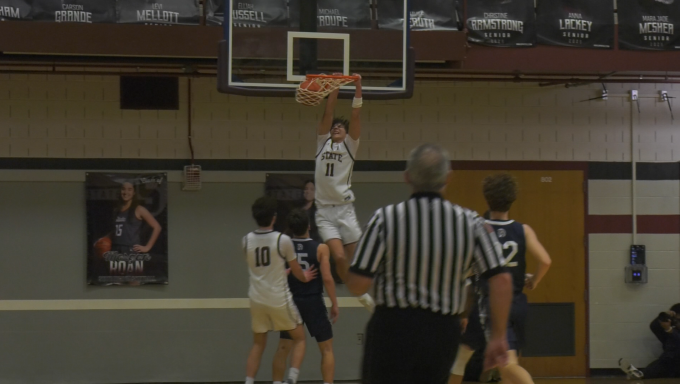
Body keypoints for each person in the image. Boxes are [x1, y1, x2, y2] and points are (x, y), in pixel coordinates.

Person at [338, 143, 513, 384]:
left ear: (407, 177)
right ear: (448, 178)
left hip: (392, 328)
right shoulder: (470, 222)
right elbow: (502, 279)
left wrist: (343, 260)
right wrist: (498, 336)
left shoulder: (385, 219)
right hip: (441, 331)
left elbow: (357, 285)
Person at [449, 174, 552, 384]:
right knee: (504, 361)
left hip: (488, 303)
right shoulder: (523, 230)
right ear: (512, 199)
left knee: (467, 360)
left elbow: (463, 270)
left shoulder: (478, 228)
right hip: (516, 303)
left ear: (487, 199)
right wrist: (534, 280)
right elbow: (546, 261)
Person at [314, 75, 374, 312]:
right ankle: (358, 295)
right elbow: (328, 111)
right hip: (325, 212)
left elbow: (355, 115)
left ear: (346, 133)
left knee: (358, 259)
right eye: (334, 127)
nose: (336, 127)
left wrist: (357, 87)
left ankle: (371, 290)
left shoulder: (350, 145)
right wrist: (334, 87)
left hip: (345, 210)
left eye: (340, 127)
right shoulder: (322, 143)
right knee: (339, 258)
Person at [243, 197, 318, 384]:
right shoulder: (282, 240)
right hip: (278, 298)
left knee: (258, 344)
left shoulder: (246, 241)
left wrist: (279, 272)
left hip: (256, 299)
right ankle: (291, 379)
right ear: (274, 217)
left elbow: (260, 269)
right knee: (299, 339)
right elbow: (297, 271)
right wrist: (305, 276)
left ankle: (249, 381)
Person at [272, 209, 339, 384]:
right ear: (309, 226)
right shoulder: (321, 248)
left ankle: (279, 382)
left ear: (291, 228)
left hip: (291, 301)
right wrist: (334, 303)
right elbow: (327, 278)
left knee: (284, 346)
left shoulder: (284, 247)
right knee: (326, 349)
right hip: (313, 301)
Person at [620, 304, 680, 379]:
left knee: (667, 360)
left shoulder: (671, 331)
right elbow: (654, 327)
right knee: (662, 362)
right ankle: (641, 374)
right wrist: (664, 317)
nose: (678, 322)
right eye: (676, 320)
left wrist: (669, 330)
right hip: (670, 362)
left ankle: (642, 374)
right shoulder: (670, 331)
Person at [110, 181, 162, 254]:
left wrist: (147, 247)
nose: (126, 192)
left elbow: (157, 227)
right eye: (123, 189)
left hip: (130, 250)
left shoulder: (139, 209)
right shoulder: (116, 210)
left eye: (129, 189)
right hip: (115, 248)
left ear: (134, 192)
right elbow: (118, 229)